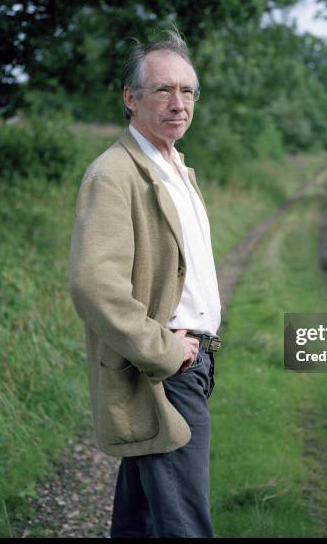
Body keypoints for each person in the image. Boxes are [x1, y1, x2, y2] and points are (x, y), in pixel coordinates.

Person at [68, 30, 222, 538]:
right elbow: (96, 286)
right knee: (184, 526)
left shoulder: (175, 167)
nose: (178, 104)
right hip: (162, 372)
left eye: (187, 91)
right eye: (162, 90)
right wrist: (166, 352)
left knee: (141, 523)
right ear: (130, 98)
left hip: (184, 366)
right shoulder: (113, 174)